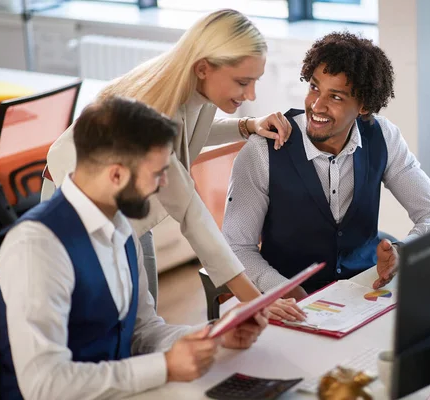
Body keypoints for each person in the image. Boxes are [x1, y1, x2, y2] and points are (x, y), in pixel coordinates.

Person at [0, 97, 268, 400]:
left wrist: (212, 336)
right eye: (157, 174)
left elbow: (141, 331)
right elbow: (44, 385)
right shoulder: (37, 247)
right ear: (116, 175)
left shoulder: (123, 229)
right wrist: (164, 366)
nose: (164, 184)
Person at [42, 9, 304, 320]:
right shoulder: (153, 114)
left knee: (142, 314)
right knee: (111, 319)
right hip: (81, 210)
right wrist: (256, 299)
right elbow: (192, 214)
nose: (251, 94)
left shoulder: (190, 84)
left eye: (255, 81)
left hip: (130, 208)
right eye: (242, 82)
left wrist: (247, 125)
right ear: (204, 68)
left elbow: (191, 130)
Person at [223, 32, 430, 301]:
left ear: (364, 105)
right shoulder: (262, 150)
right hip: (289, 298)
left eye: (336, 97)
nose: (317, 105)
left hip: (366, 290)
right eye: (314, 87)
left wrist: (402, 252)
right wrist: (282, 289)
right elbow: (237, 246)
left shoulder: (384, 137)